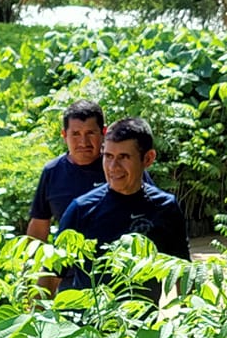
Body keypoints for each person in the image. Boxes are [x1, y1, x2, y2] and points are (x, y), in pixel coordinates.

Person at [53, 118, 192, 292]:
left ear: (148, 158)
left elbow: (183, 273)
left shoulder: (165, 208)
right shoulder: (81, 209)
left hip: (142, 311)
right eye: (108, 156)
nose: (113, 167)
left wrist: (190, 308)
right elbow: (51, 275)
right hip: (91, 309)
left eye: (124, 157)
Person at [26, 100, 107, 241]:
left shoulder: (120, 167)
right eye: (76, 134)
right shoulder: (52, 172)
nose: (83, 142)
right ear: (64, 135)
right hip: (68, 252)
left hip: (116, 253)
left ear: (103, 132)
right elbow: (38, 226)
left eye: (90, 133)